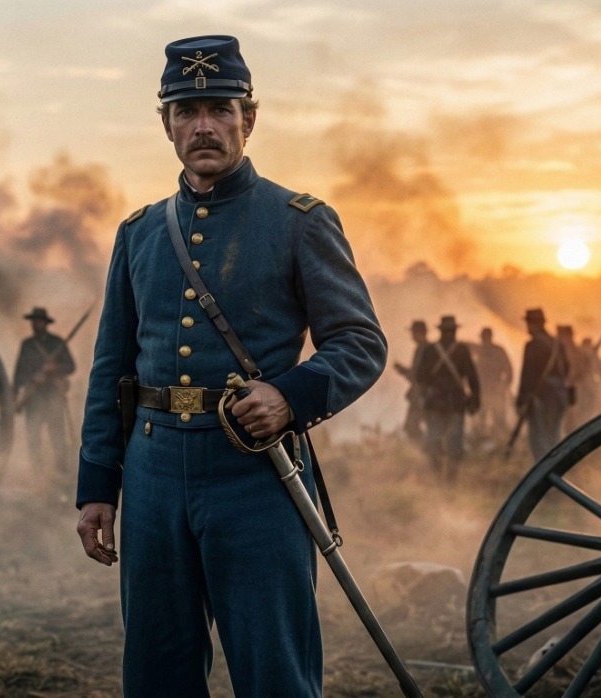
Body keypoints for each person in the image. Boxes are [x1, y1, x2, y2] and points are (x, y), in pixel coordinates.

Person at [74, 35, 387, 697]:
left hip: (256, 478)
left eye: (220, 108)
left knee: (274, 673)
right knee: (157, 673)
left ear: (250, 117)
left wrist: (290, 397)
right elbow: (111, 369)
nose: (203, 126)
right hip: (153, 478)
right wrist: (97, 487)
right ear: (166, 125)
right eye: (186, 111)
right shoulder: (138, 234)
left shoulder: (299, 221)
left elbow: (360, 342)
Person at [414, 315, 479, 482]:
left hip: (435, 402)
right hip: (456, 402)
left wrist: (424, 395)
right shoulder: (462, 350)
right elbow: (472, 377)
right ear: (454, 331)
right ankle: (450, 479)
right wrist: (475, 400)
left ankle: (438, 475)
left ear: (441, 331)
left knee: (434, 438)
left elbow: (420, 376)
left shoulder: (430, 350)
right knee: (454, 440)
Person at [13, 307, 76, 476]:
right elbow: (19, 372)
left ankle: (61, 469)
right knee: (33, 435)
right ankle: (37, 472)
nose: (36, 324)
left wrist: (54, 369)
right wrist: (14, 394)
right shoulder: (27, 345)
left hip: (53, 394)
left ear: (45, 323)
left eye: (39, 321)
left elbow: (70, 366)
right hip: (33, 395)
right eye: (34, 321)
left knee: (57, 434)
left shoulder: (57, 343)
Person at [516, 308, 569, 462]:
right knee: (555, 434)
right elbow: (566, 368)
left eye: (528, 323)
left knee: (539, 437)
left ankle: (545, 469)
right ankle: (559, 465)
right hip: (559, 395)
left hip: (540, 396)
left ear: (533, 324)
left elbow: (527, 375)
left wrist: (521, 400)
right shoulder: (557, 344)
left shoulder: (532, 345)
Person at [393, 319, 430, 446]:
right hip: (423, 394)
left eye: (413, 332)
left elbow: (418, 376)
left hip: (421, 394)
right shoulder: (425, 348)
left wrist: (401, 370)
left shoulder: (424, 349)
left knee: (412, 426)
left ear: (418, 333)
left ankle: (423, 451)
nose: (412, 336)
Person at [473, 326, 513, 439]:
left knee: (497, 417)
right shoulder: (494, 350)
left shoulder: (481, 351)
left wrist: (504, 385)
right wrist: (504, 385)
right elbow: (509, 370)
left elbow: (509, 370)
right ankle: (490, 439)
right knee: (485, 417)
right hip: (485, 388)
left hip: (490, 388)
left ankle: (498, 440)